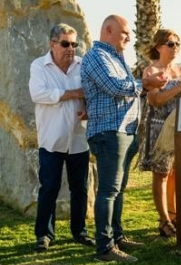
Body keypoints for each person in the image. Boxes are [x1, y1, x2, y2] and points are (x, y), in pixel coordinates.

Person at [81, 15, 167, 263]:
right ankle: (105, 248)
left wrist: (144, 85)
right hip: (109, 133)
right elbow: (116, 88)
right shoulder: (97, 56)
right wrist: (146, 83)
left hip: (125, 132)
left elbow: (126, 90)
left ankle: (117, 237)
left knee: (117, 190)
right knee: (108, 191)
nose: (129, 37)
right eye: (125, 32)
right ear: (108, 30)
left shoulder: (116, 58)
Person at [29, 23, 95, 251]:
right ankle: (44, 235)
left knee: (80, 188)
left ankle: (80, 232)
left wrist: (87, 108)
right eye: (66, 43)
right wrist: (73, 94)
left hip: (79, 139)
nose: (71, 49)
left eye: (74, 44)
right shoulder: (39, 65)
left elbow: (90, 95)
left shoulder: (82, 65)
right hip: (51, 140)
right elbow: (38, 94)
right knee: (49, 187)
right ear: (52, 44)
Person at [140, 29, 181, 238]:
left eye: (177, 43)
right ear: (158, 46)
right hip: (159, 127)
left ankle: (176, 214)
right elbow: (156, 100)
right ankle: (163, 220)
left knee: (178, 173)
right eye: (170, 43)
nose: (175, 47)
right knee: (161, 174)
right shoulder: (151, 71)